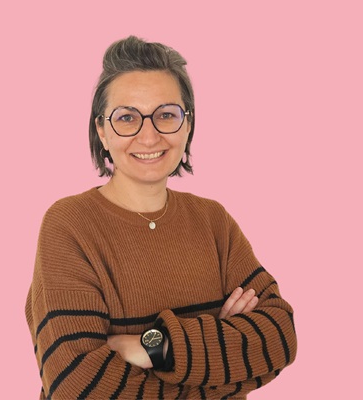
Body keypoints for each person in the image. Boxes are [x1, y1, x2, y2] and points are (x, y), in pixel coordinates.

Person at [25, 36, 297, 399]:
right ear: (102, 131)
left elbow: (279, 337)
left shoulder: (213, 220)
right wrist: (216, 353)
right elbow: (78, 386)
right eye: (127, 118)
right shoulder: (69, 225)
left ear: (188, 125)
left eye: (166, 115)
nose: (149, 136)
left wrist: (155, 347)